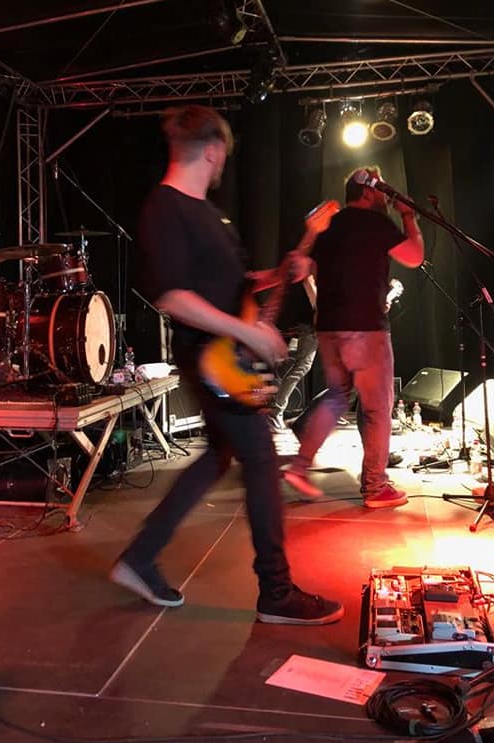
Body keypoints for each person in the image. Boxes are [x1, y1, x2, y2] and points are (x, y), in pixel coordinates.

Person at [109, 105, 344, 626]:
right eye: (223, 156)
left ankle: (140, 557)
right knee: (260, 458)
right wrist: (247, 332)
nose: (223, 166)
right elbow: (172, 297)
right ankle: (275, 592)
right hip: (211, 357)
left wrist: (280, 273)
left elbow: (235, 285)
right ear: (214, 151)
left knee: (218, 457)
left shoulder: (209, 214)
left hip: (226, 354)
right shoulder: (166, 207)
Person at [282, 166, 424, 506]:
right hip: (366, 329)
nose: (385, 196)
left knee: (336, 396)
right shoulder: (377, 223)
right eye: (381, 189)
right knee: (377, 408)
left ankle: (299, 466)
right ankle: (376, 487)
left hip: (329, 327)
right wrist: (408, 216)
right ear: (368, 190)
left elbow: (308, 269)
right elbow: (415, 257)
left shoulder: (329, 225)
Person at [266, 277, 318, 431]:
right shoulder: (311, 269)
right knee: (302, 366)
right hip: (312, 324)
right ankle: (276, 412)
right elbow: (308, 282)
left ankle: (333, 411)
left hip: (313, 323)